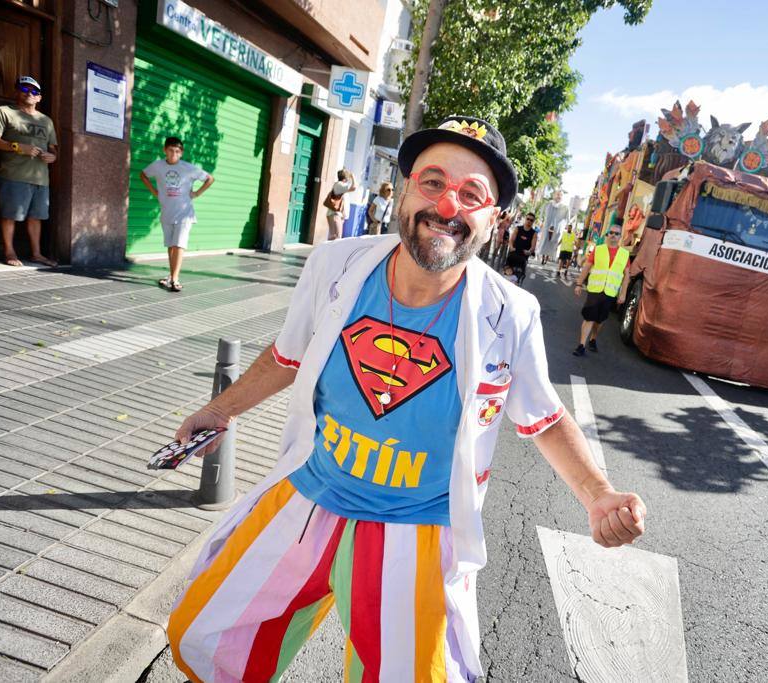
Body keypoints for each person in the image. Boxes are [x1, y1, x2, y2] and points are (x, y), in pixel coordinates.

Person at [165, 115, 646, 682]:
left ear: (494, 218)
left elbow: (543, 418)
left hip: (418, 531)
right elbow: (286, 356)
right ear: (406, 186)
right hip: (309, 495)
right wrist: (221, 409)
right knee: (206, 635)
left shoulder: (509, 314)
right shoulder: (336, 266)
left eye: (472, 195)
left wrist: (597, 494)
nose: (448, 206)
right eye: (434, 182)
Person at [0, 76, 59, 267]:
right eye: (25, 89)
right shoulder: (4, 112)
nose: (29, 93)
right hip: (13, 174)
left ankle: (37, 254)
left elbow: (54, 148)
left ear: (39, 98)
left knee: (37, 217)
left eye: (34, 91)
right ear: (17, 91)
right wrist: (17, 146)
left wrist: (53, 157)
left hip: (41, 178)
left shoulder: (46, 121)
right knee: (10, 215)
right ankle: (9, 252)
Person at [140, 137, 215, 292]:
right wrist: (154, 191)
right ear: (164, 150)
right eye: (170, 150)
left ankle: (175, 279)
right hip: (167, 212)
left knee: (179, 244)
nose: (174, 153)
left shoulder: (189, 168)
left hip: (184, 214)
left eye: (177, 151)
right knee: (171, 246)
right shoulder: (158, 166)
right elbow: (143, 175)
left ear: (181, 153)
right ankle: (171, 275)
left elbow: (210, 179)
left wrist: (197, 193)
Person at [572, 225, 631, 357]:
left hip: (610, 292)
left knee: (600, 320)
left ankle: (593, 338)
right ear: (607, 235)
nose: (613, 235)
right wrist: (579, 284)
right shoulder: (598, 250)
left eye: (616, 234)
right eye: (611, 233)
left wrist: (623, 293)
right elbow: (587, 267)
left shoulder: (624, 254)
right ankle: (581, 345)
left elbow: (626, 275)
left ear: (620, 237)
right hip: (595, 290)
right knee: (589, 317)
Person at [325, 169, 356, 241]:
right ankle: (327, 251)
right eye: (348, 177)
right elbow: (354, 187)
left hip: (338, 215)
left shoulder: (340, 186)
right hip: (335, 214)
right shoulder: (340, 185)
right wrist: (353, 177)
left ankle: (327, 251)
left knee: (334, 237)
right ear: (346, 178)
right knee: (336, 237)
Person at [506, 212, 537, 284]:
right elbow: (511, 240)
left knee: (517, 279)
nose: (529, 221)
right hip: (513, 254)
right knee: (507, 275)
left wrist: (529, 251)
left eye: (531, 220)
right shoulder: (518, 228)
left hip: (523, 257)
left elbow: (533, 247)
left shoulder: (534, 233)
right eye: (528, 219)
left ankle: (517, 282)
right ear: (525, 219)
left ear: (533, 222)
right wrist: (511, 247)